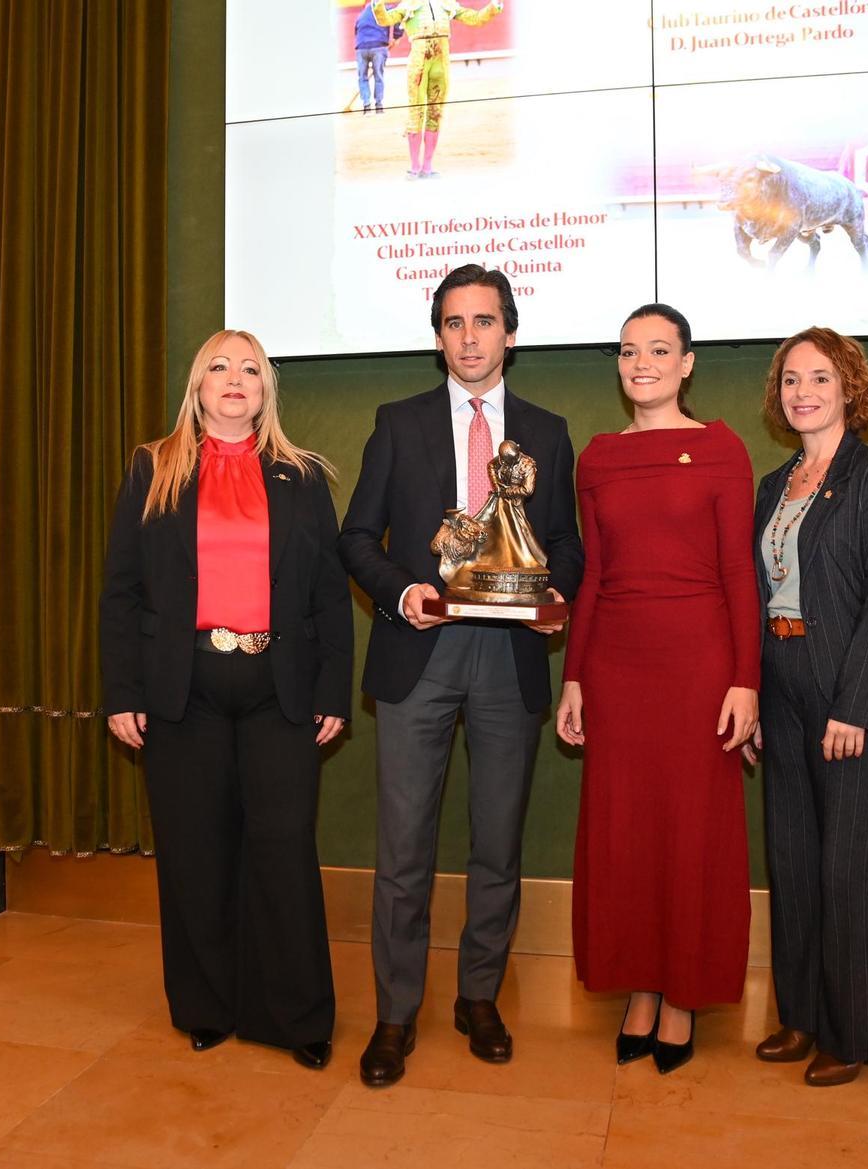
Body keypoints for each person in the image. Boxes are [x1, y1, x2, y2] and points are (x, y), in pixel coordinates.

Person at [339, 263, 583, 1087]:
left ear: (510, 332)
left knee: (498, 844)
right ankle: (395, 1012)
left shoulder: (547, 433)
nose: (469, 337)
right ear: (437, 334)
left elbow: (569, 543)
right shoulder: (397, 423)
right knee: (403, 850)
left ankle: (479, 996)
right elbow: (356, 537)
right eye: (454, 322)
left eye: (484, 321)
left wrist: (554, 588)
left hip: (509, 659)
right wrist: (401, 590)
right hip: (420, 654)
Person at [99, 330, 353, 1070]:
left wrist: (332, 687)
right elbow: (121, 591)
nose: (235, 378)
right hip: (183, 690)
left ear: (267, 389)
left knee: (282, 850)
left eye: (250, 368)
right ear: (198, 385)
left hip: (281, 690)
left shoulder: (302, 477)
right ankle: (205, 1006)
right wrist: (122, 690)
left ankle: (296, 1015)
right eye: (219, 366)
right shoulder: (154, 467)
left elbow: (331, 599)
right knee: (196, 853)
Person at [556, 304, 760, 1075]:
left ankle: (683, 997)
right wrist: (574, 674)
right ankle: (641, 986)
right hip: (617, 666)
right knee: (627, 835)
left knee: (692, 833)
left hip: (701, 666)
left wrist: (747, 679)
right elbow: (597, 574)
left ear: (687, 363)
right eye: (629, 350)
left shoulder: (721, 448)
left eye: (659, 349)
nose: (642, 362)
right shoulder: (599, 457)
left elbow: (741, 570)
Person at [746, 326, 868, 1086]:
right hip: (785, 690)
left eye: (820, 377)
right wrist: (755, 697)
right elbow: (759, 598)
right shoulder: (772, 485)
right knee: (793, 864)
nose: (803, 392)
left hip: (865, 701)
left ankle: (851, 1035)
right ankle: (801, 1017)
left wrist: (853, 707)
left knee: (847, 871)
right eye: (791, 379)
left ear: (850, 387)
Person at [371, 0, 504, 178]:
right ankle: (415, 166)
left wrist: (493, 7)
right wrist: (378, 5)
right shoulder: (408, 4)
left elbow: (475, 19)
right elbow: (385, 19)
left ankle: (427, 167)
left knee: (436, 112)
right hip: (419, 60)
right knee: (416, 111)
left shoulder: (446, 3)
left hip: (441, 59)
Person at [354, 1, 403, 114]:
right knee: (378, 76)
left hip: (361, 47)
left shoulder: (361, 14)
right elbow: (398, 19)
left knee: (362, 77)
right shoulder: (384, 8)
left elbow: (356, 32)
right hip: (379, 47)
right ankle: (379, 106)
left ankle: (366, 107)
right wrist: (396, 36)